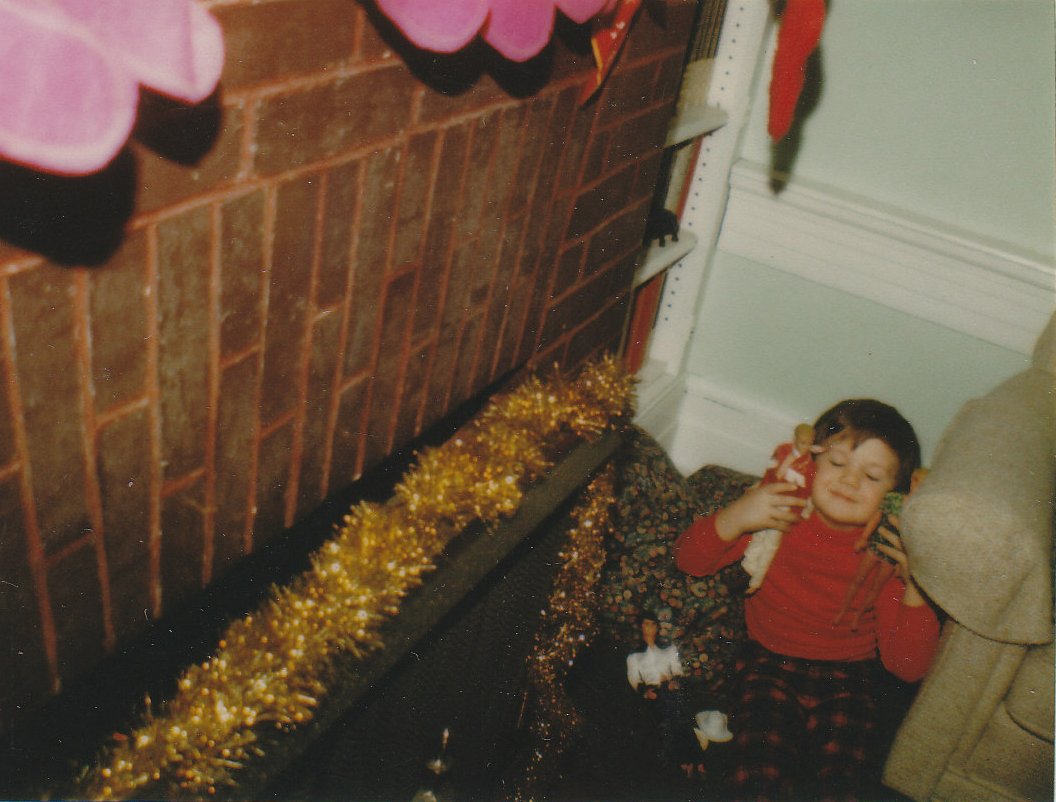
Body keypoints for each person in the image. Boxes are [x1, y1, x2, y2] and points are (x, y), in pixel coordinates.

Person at [675, 399, 940, 801]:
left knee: (842, 777)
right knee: (757, 767)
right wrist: (740, 514)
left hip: (847, 675)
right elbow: (688, 560)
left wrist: (916, 584)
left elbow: (908, 668)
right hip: (768, 659)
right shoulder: (781, 511)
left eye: (871, 475)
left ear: (894, 497)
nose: (849, 480)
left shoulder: (884, 553)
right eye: (837, 463)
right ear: (812, 463)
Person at [741, 422, 817, 592]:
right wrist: (761, 490)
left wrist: (797, 513)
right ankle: (746, 568)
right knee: (759, 535)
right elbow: (769, 473)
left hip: (786, 507)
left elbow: (805, 494)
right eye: (802, 442)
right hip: (769, 498)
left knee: (771, 543)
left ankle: (756, 581)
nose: (805, 447)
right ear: (795, 438)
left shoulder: (810, 467)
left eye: (809, 443)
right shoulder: (782, 450)